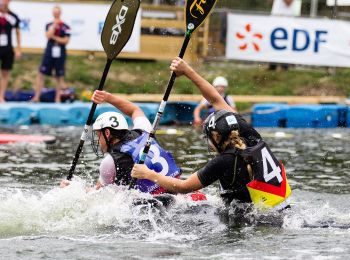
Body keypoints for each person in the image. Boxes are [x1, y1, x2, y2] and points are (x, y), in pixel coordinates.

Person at [131, 57, 291, 211]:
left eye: (208, 138)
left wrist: (149, 174)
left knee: (172, 202)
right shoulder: (248, 134)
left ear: (216, 137)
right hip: (281, 210)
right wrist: (186, 71)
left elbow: (183, 187)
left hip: (255, 222)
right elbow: (215, 98)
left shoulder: (224, 161)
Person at [61, 90, 182, 196]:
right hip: (179, 189)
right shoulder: (144, 131)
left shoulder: (109, 162)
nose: (98, 140)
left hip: (156, 205)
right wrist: (108, 97)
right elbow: (135, 110)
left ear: (107, 133)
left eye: (98, 135)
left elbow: (98, 195)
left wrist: (74, 189)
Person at [31, 5, 70, 103]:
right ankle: (36, 97)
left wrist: (55, 38)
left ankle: (57, 98)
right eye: (54, 12)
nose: (56, 14)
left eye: (57, 12)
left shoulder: (65, 26)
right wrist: (54, 26)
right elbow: (48, 36)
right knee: (41, 73)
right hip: (49, 51)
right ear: (53, 13)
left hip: (60, 52)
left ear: (60, 13)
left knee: (59, 76)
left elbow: (65, 40)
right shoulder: (49, 25)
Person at [0, 0, 21, 103]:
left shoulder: (13, 16)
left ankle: (1, 96)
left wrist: (18, 48)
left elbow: (17, 33)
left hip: (7, 48)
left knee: (5, 73)